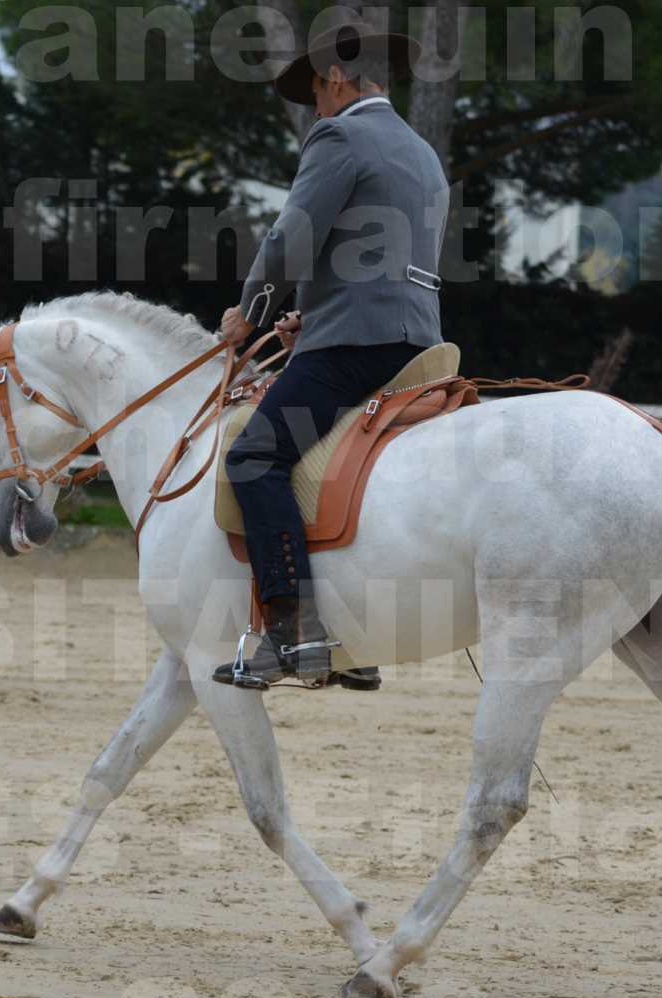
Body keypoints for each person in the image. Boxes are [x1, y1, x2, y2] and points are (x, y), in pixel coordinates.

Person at [212, 17, 449, 689]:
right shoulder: (420, 150)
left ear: (337, 79)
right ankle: (356, 634)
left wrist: (248, 314)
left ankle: (291, 630)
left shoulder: (339, 134)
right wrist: (311, 316)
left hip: (353, 345)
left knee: (255, 458)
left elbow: (290, 238)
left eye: (314, 91)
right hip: (413, 339)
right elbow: (383, 260)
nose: (313, 106)